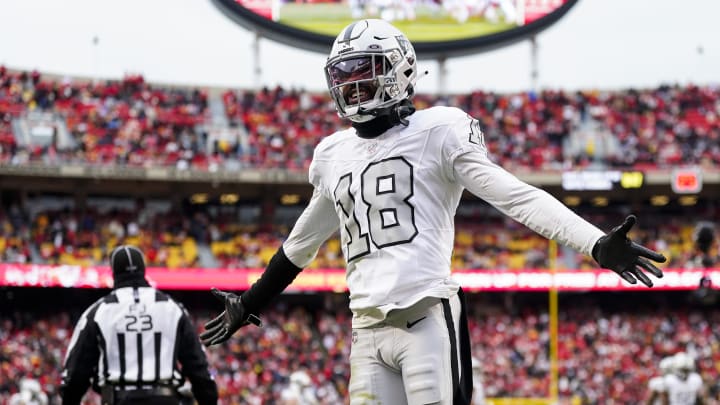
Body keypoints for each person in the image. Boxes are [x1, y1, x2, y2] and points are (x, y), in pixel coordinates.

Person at [200, 19, 666, 405]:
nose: (352, 84)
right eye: (344, 75)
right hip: (365, 329)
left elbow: (512, 194)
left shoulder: (438, 130)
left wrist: (594, 242)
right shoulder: (332, 154)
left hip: (425, 316)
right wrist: (249, 302)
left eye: (365, 70)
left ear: (398, 71)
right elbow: (301, 243)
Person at [61, 245, 218, 405]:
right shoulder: (172, 308)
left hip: (118, 399)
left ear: (114, 273)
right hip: (165, 399)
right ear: (143, 270)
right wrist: (208, 399)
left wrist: (69, 400)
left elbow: (75, 374)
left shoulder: (98, 312)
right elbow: (198, 367)